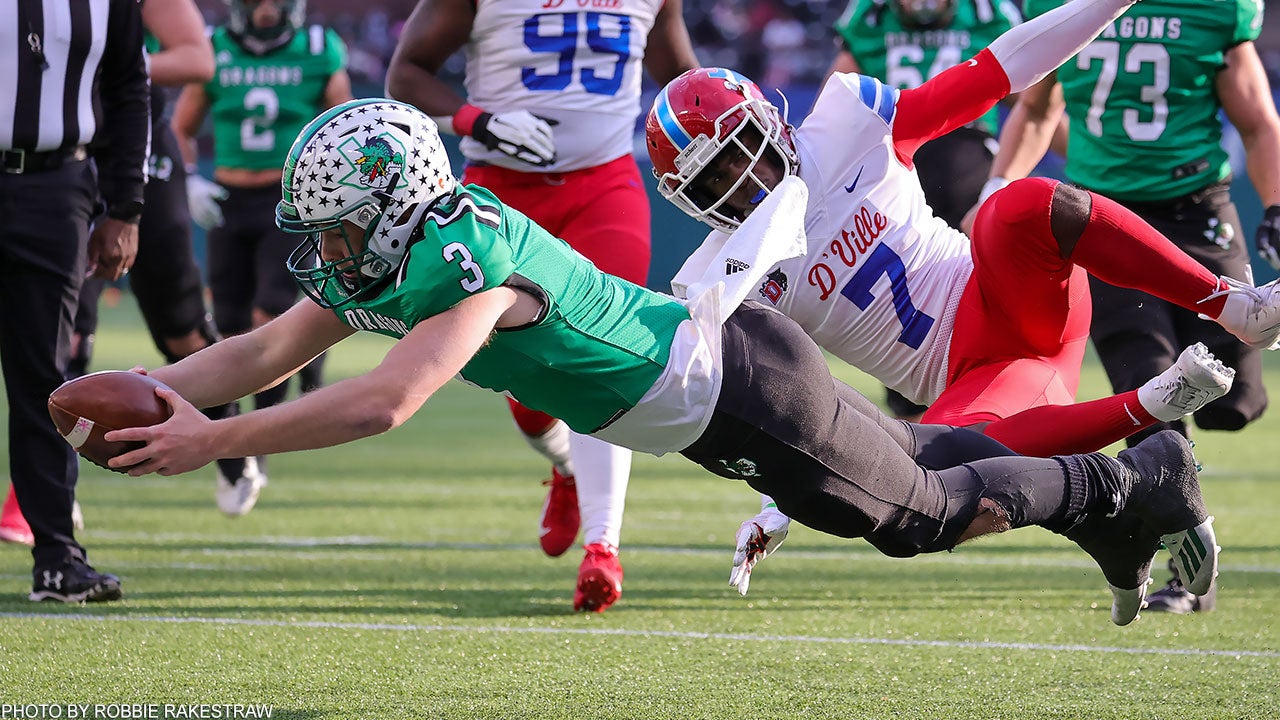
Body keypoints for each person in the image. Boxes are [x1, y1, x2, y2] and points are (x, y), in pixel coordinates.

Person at [102, 98, 1217, 627]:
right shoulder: (398, 255)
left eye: (343, 226)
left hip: (734, 391)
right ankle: (1111, 502)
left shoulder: (470, 257)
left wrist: (216, 439)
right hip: (719, 388)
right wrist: (165, 397)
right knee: (924, 470)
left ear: (394, 210)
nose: (332, 252)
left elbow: (390, 401)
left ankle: (1130, 479)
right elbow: (265, 345)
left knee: (918, 514)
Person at [642, 0, 1280, 597]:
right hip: (979, 379)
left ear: (767, 122)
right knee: (933, 460)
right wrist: (774, 502)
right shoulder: (729, 276)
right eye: (711, 180)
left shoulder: (847, 121)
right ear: (686, 200)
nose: (740, 182)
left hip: (1008, 290)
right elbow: (796, 404)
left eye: (737, 155)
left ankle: (1230, 304)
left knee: (1013, 206)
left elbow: (1000, 69)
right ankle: (1150, 421)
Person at [963, 0, 1277, 616]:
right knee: (1150, 383)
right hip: (1105, 224)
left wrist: (1273, 204)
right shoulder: (1066, 8)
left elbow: (1257, 120)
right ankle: (1187, 565)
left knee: (1237, 399)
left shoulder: (1214, 10)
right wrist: (993, 193)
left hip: (1195, 206)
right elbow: (1037, 105)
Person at [383, 0, 698, 612]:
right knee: (529, 400)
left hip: (605, 187)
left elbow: (683, 79)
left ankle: (603, 548)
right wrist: (479, 120)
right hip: (500, 194)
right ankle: (567, 469)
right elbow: (406, 74)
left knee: (610, 360)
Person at [171, 0, 352, 516]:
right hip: (227, 199)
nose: (267, 11)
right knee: (227, 330)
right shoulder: (214, 49)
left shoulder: (318, 49)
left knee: (267, 317)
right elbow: (182, 126)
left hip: (288, 200)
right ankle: (244, 442)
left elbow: (343, 124)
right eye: (257, 1)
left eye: (276, 2)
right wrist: (189, 178)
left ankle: (255, 444)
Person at [0, 0, 148, 601]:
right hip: (54, 187)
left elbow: (128, 87)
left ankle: (57, 559)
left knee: (44, 379)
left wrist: (126, 208)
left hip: (56, 185)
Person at [829, 0, 1024, 422]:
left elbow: (1032, 103)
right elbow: (838, 95)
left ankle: (986, 391)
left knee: (968, 280)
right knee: (903, 282)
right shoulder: (869, 15)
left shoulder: (989, 13)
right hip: (898, 160)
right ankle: (931, 408)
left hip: (956, 157)